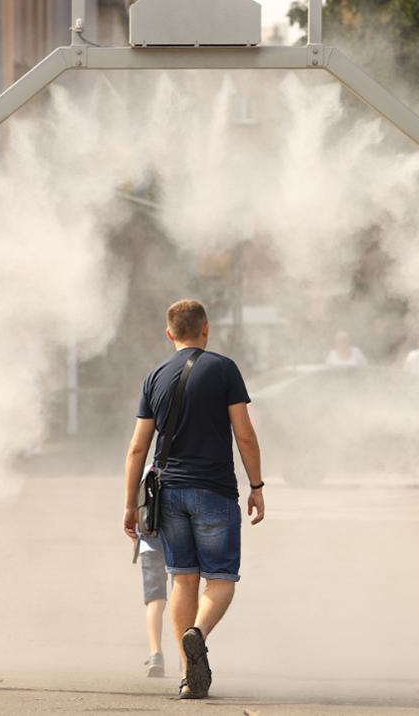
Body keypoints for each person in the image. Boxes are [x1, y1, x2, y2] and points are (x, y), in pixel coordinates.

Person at [122, 299, 265, 700]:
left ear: (169, 333)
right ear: (206, 328)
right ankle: (197, 635)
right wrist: (257, 486)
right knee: (220, 579)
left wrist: (130, 504)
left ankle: (189, 677)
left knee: (182, 578)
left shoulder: (153, 377)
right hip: (214, 491)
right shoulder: (223, 369)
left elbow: (137, 448)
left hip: (167, 493)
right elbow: (245, 433)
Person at [136, 532, 169, 677]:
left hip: (149, 541)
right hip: (181, 543)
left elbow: (136, 510)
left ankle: (156, 654)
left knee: (155, 599)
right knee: (183, 593)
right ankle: (185, 656)